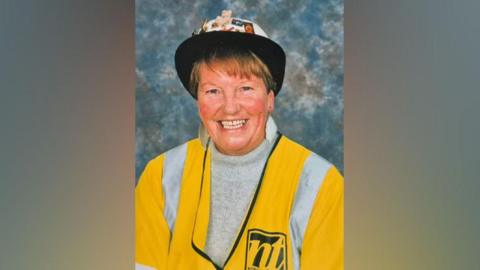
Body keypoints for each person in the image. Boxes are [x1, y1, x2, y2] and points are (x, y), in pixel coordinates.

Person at [136, 10, 344, 270]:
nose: (230, 108)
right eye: (213, 91)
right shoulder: (161, 177)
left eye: (245, 88)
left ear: (270, 98)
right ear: (198, 101)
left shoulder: (321, 183)